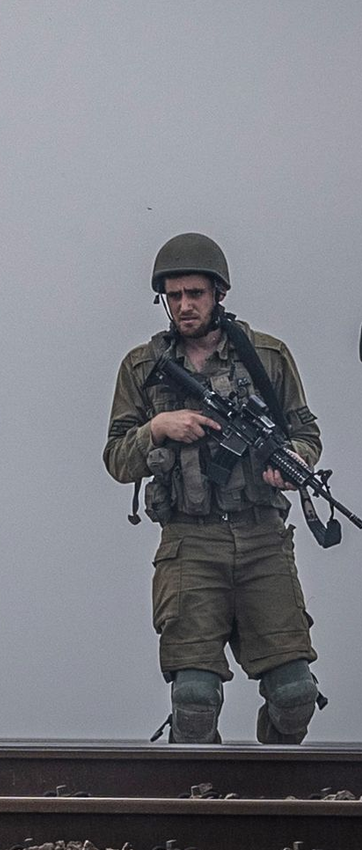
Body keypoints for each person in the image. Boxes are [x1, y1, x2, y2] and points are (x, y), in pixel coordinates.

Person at [104, 233, 325, 745]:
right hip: (189, 543)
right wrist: (158, 428)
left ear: (218, 294)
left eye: (195, 294)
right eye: (175, 295)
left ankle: (271, 795)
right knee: (195, 698)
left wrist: (292, 465)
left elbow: (305, 434)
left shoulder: (266, 357)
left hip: (263, 537)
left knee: (294, 694)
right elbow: (116, 458)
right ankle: (201, 804)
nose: (184, 305)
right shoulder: (142, 367)